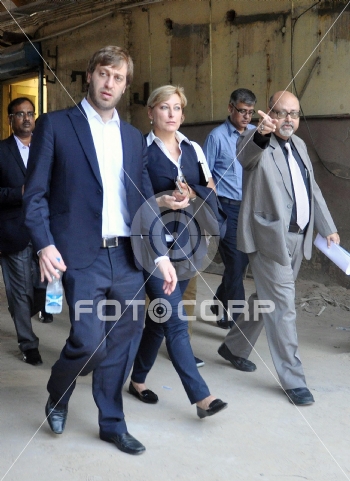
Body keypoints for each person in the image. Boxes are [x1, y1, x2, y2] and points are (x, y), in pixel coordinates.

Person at [23, 46, 177, 455]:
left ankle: (112, 423)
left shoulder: (131, 137)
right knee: (90, 340)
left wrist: (159, 253)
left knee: (123, 339)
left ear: (126, 86)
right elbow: (35, 194)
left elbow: (145, 201)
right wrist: (45, 244)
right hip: (80, 255)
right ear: (89, 76)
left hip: (126, 257)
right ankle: (59, 391)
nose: (110, 84)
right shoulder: (56, 126)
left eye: (119, 78)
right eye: (104, 74)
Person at [218, 90, 339, 405]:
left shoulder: (299, 145)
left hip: (299, 238)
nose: (289, 119)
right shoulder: (253, 140)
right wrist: (260, 132)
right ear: (269, 114)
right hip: (269, 238)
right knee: (283, 306)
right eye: (282, 113)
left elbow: (311, 189)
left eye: (294, 114)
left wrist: (328, 228)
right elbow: (246, 157)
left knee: (266, 298)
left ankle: (233, 346)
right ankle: (293, 379)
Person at [129, 85, 227, 419]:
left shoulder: (193, 148)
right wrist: (161, 199)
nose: (172, 114)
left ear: (183, 114)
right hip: (153, 245)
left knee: (159, 319)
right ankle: (202, 397)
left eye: (177, 108)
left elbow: (211, 189)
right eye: (164, 108)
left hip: (188, 242)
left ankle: (137, 380)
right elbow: (131, 199)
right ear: (151, 112)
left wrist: (193, 192)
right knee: (175, 321)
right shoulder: (139, 149)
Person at [0, 97, 52, 367]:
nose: (26, 118)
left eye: (30, 113)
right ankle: (28, 344)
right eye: (20, 114)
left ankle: (25, 309)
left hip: (45, 231)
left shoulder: (47, 148)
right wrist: (17, 193)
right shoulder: (1, 151)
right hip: (14, 231)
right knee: (21, 292)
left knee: (40, 288)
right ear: (11, 120)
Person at [203, 88, 256, 334]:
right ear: (230, 108)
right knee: (235, 262)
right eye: (242, 111)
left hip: (251, 209)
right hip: (226, 208)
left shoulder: (257, 135)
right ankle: (233, 323)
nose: (246, 116)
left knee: (241, 262)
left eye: (250, 112)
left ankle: (218, 301)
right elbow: (205, 175)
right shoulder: (217, 137)